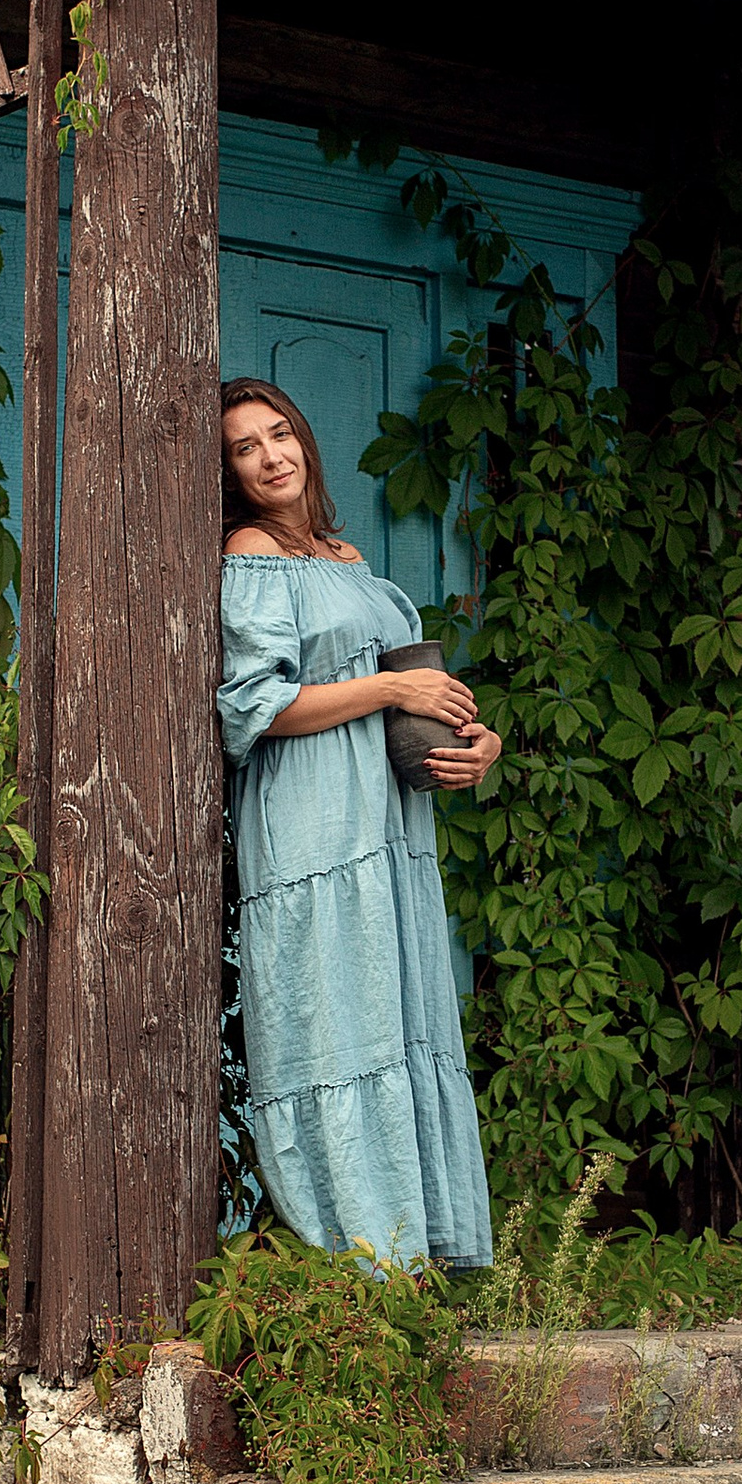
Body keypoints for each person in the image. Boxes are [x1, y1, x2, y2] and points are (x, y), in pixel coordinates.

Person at [217, 379, 503, 1268]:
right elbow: (250, 706)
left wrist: (475, 739)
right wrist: (388, 687)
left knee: (396, 1013)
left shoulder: (349, 562)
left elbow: (415, 697)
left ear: (305, 439)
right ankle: (360, 1258)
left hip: (389, 830)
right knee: (335, 1025)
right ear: (228, 473)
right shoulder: (249, 554)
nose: (271, 457)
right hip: (311, 825)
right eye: (245, 448)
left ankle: (417, 1249)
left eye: (280, 435)